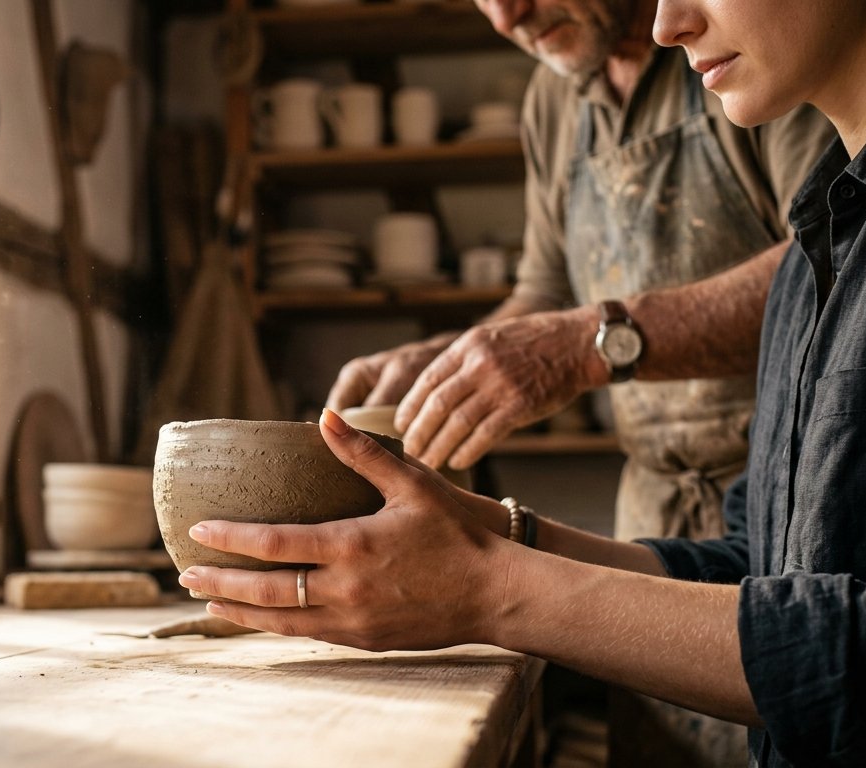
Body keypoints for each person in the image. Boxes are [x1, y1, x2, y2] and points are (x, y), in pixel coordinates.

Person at [181, 0, 866, 765]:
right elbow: (764, 568)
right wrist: (492, 533)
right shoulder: (818, 237)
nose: (670, 24)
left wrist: (490, 591)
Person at [335, 0, 834, 762]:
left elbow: (835, 255)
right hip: (656, 511)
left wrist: (591, 345)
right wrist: (449, 359)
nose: (509, 15)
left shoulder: (746, 37)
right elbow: (545, 295)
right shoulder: (554, 97)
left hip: (796, 498)